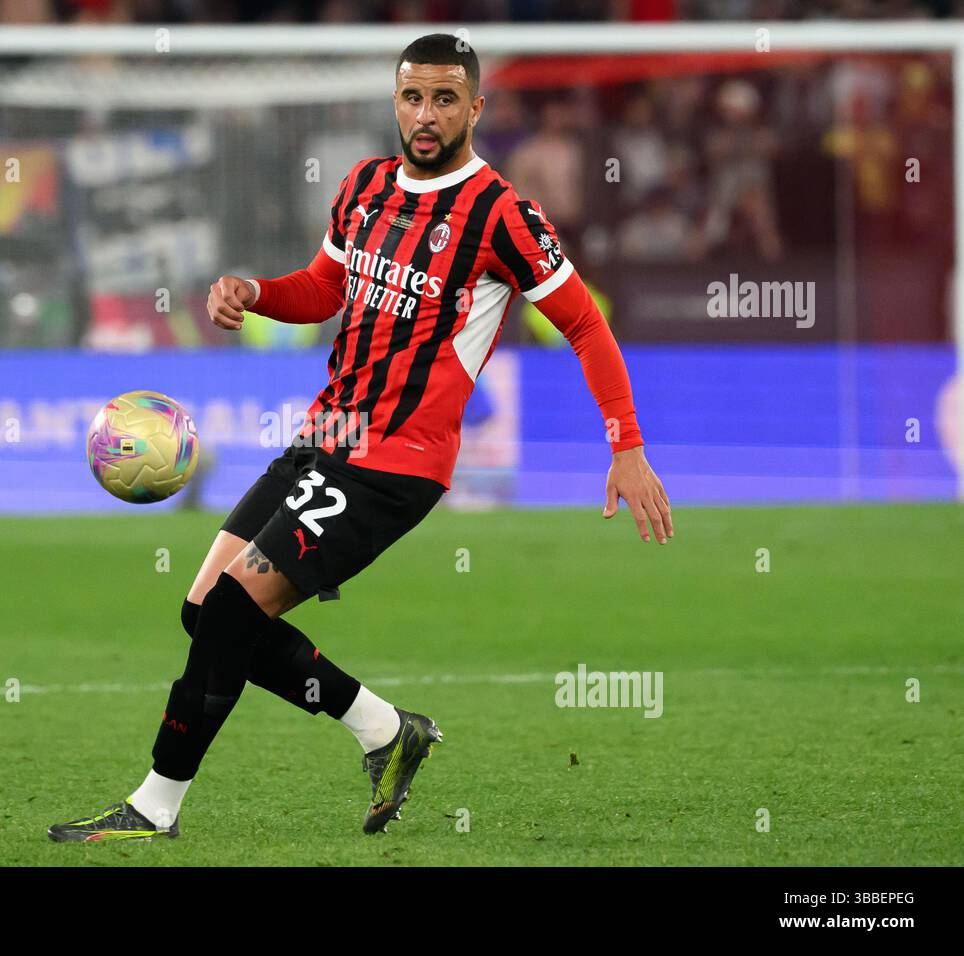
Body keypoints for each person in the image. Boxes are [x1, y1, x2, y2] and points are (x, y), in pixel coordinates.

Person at [49, 33, 673, 843]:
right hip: (325, 436)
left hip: (396, 461)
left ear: (475, 108)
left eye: (445, 98)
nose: (426, 114)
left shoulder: (501, 215)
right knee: (205, 610)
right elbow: (325, 289)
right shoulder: (366, 186)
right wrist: (255, 290)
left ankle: (154, 806)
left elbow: (586, 325)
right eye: (413, 96)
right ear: (395, 101)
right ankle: (385, 730)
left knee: (236, 607)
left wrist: (626, 446)